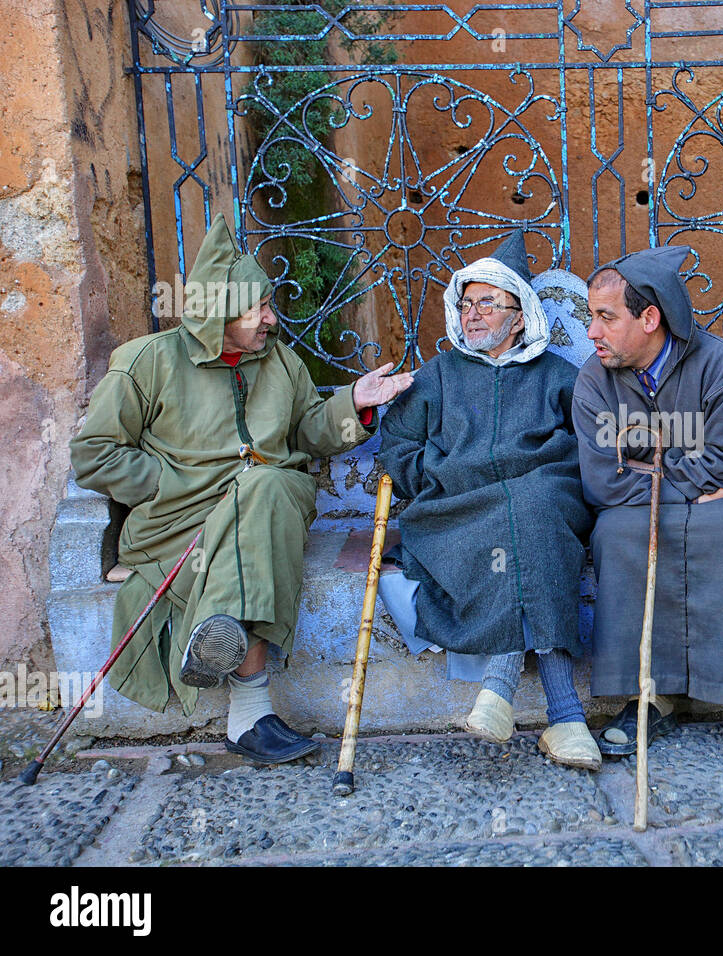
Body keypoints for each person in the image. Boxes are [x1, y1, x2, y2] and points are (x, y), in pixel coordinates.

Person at [70, 213, 412, 764]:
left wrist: (356, 405)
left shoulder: (278, 361)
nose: (271, 321)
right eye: (258, 310)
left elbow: (308, 434)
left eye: (269, 306)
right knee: (255, 520)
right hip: (182, 524)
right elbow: (93, 454)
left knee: (270, 486)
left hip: (270, 508)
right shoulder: (147, 362)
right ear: (217, 312)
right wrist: (167, 483)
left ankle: (224, 652)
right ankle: (245, 710)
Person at [376, 232, 602, 771]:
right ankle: (565, 716)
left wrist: (538, 476)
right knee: (522, 517)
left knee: (532, 508)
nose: (472, 314)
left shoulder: (560, 378)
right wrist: (435, 474)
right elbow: (397, 447)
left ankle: (500, 691)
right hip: (458, 511)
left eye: (487, 303)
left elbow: (588, 450)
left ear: (520, 316)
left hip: (545, 502)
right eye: (466, 302)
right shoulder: (437, 377)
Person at [572, 246, 723, 761]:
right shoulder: (593, 382)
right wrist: (696, 485)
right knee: (618, 533)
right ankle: (650, 693)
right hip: (654, 502)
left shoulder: (719, 365)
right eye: (590, 317)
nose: (592, 332)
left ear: (650, 318)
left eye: (605, 317)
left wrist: (669, 483)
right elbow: (604, 483)